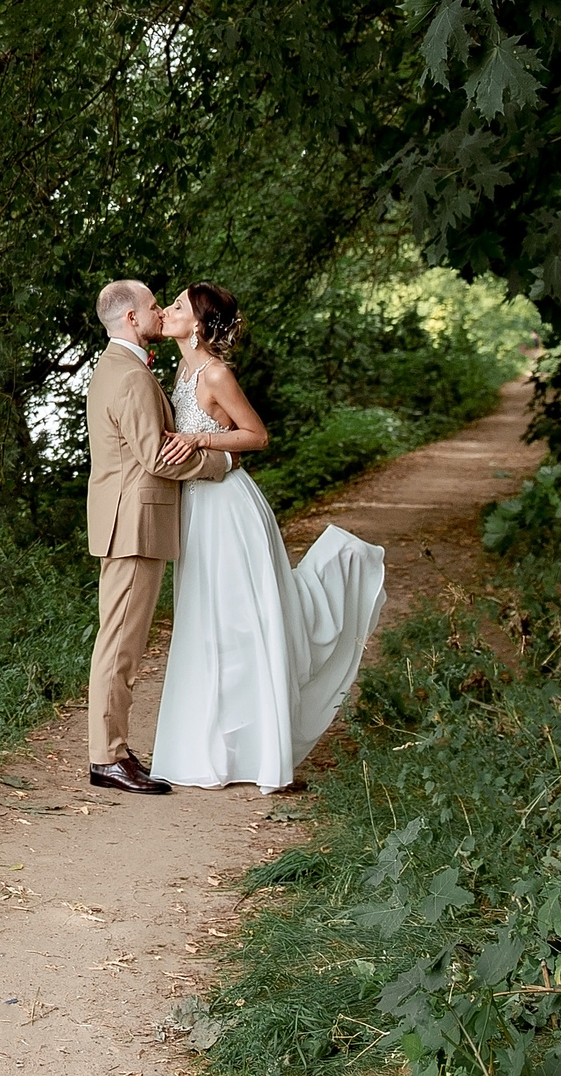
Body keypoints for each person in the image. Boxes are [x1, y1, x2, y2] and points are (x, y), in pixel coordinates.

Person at [149, 283, 386, 793]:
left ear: (198, 323)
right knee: (207, 617)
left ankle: (259, 754)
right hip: (199, 505)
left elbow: (256, 435)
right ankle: (216, 748)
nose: (166, 312)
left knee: (239, 620)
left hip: (229, 508)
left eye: (177, 307)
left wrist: (200, 437)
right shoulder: (183, 368)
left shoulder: (214, 371)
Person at [85, 279, 233, 794]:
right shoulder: (128, 377)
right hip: (133, 523)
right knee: (120, 645)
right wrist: (220, 462)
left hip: (128, 520)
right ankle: (107, 757)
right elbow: (154, 456)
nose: (158, 313)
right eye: (153, 307)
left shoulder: (122, 368)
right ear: (131, 319)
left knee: (121, 640)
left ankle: (115, 749)